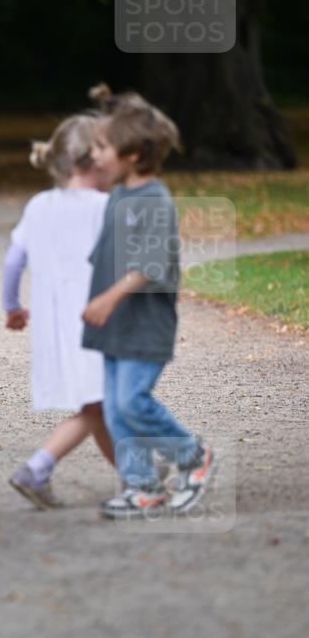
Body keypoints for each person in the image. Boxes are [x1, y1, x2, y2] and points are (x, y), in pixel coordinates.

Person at [81, 91, 215, 518]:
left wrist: (108, 297)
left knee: (132, 402)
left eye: (103, 147)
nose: (94, 154)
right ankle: (143, 486)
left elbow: (151, 262)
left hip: (144, 322)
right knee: (116, 407)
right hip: (114, 325)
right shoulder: (118, 196)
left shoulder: (155, 200)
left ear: (134, 155)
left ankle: (193, 455)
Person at [2, 114, 115, 509]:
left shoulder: (39, 205)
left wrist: (13, 307)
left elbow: (13, 262)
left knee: (96, 403)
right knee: (99, 402)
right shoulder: (107, 207)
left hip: (53, 327)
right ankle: (37, 466)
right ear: (97, 159)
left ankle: (138, 478)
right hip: (98, 324)